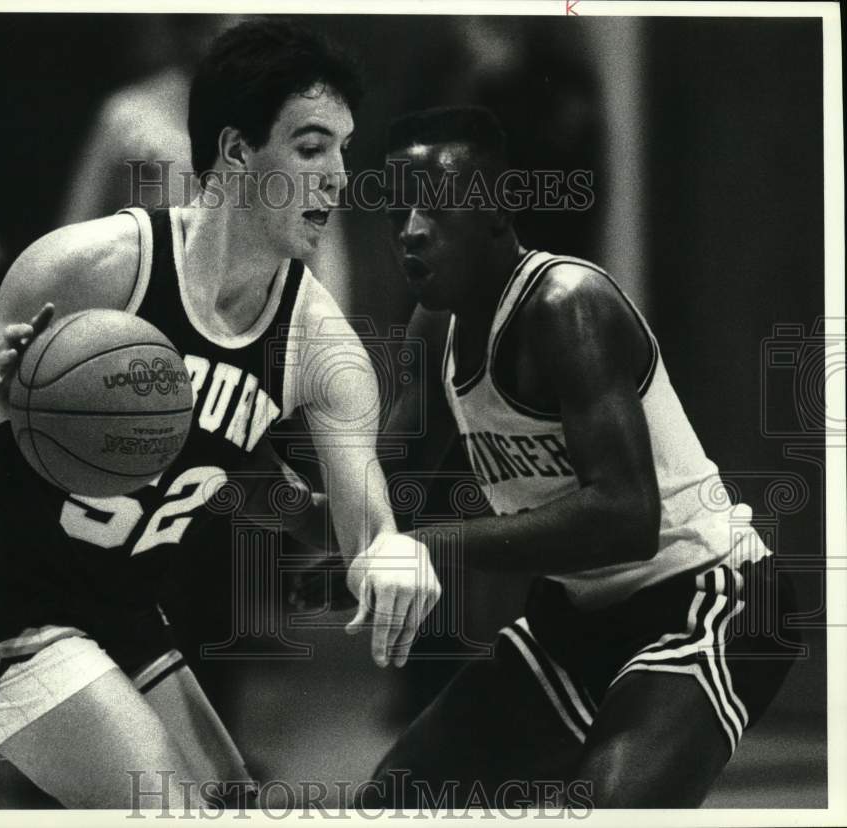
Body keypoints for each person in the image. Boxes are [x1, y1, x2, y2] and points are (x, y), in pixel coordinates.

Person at [0, 21, 440, 809]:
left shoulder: (326, 348)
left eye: (345, 151)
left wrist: (387, 551)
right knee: (167, 809)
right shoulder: (96, 266)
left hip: (117, 605)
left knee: (229, 807)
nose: (338, 178)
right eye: (312, 148)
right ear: (236, 151)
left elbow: (361, 522)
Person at [339, 106, 799, 808]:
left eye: (434, 206)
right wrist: (239, 490)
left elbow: (626, 516)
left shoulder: (567, 303)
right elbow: (382, 499)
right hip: (577, 616)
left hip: (705, 594)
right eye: (397, 209)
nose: (410, 230)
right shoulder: (435, 329)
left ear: (497, 210)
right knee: (394, 802)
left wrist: (428, 546)